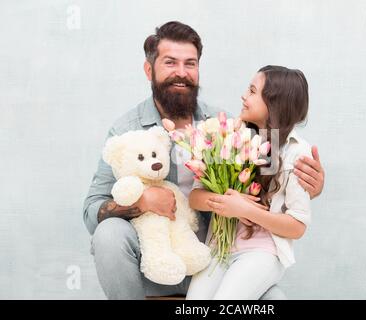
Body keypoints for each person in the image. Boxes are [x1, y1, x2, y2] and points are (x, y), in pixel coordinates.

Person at [83, 21, 325, 300]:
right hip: (159, 258)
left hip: (216, 253)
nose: (182, 73)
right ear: (149, 70)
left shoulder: (225, 127)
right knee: (108, 234)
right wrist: (141, 202)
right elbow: (91, 212)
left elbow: (273, 177)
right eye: (170, 62)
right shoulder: (127, 130)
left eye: (191, 63)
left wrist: (309, 184)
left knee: (275, 300)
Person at [186, 65, 313, 299]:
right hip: (218, 249)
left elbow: (297, 226)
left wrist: (247, 211)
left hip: (262, 252)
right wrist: (225, 203)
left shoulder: (297, 152)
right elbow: (195, 198)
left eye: (253, 91)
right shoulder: (227, 137)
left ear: (274, 104)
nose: (244, 96)